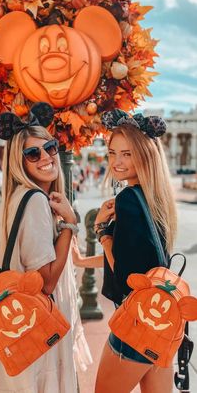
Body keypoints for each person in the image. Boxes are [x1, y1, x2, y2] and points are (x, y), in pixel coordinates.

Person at [0, 102, 92, 393]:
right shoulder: (35, 200)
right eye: (32, 153)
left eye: (49, 147)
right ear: (18, 161)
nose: (46, 157)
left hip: (25, 327)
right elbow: (46, 281)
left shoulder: (21, 197)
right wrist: (71, 223)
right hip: (40, 327)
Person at [93, 110, 177, 393]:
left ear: (144, 155)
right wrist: (82, 259)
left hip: (135, 324)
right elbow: (141, 256)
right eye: (112, 152)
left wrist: (102, 232)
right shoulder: (156, 198)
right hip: (161, 320)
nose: (116, 162)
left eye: (127, 154)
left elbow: (126, 275)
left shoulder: (128, 198)